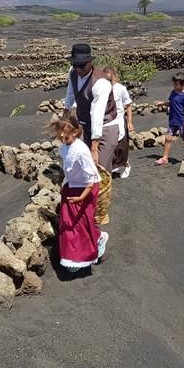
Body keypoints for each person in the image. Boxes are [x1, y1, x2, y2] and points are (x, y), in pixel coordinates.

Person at [50, 114, 108, 274]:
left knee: (80, 223)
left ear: (75, 132)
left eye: (65, 131)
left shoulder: (81, 151)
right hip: (72, 187)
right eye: (60, 131)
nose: (62, 135)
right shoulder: (64, 147)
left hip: (85, 189)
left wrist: (81, 197)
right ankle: (74, 257)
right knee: (69, 223)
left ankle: (90, 248)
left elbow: (91, 178)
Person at [62, 43, 119, 173]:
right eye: (75, 64)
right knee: (84, 167)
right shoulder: (73, 73)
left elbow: (97, 114)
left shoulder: (101, 82)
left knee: (100, 168)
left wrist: (94, 148)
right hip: (85, 125)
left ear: (89, 63)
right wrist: (64, 119)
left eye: (82, 65)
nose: (78, 68)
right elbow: (70, 94)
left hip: (105, 126)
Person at [155, 72, 184, 166]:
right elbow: (171, 103)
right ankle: (165, 158)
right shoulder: (173, 93)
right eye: (174, 84)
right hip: (173, 121)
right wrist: (162, 103)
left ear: (183, 84)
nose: (174, 86)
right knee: (168, 138)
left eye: (176, 84)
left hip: (182, 123)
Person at [103, 66, 134, 179]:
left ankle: (126, 165)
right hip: (106, 121)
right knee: (109, 145)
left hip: (118, 120)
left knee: (121, 145)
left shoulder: (121, 89)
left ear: (115, 77)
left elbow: (128, 105)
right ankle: (111, 167)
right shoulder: (102, 89)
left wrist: (130, 122)